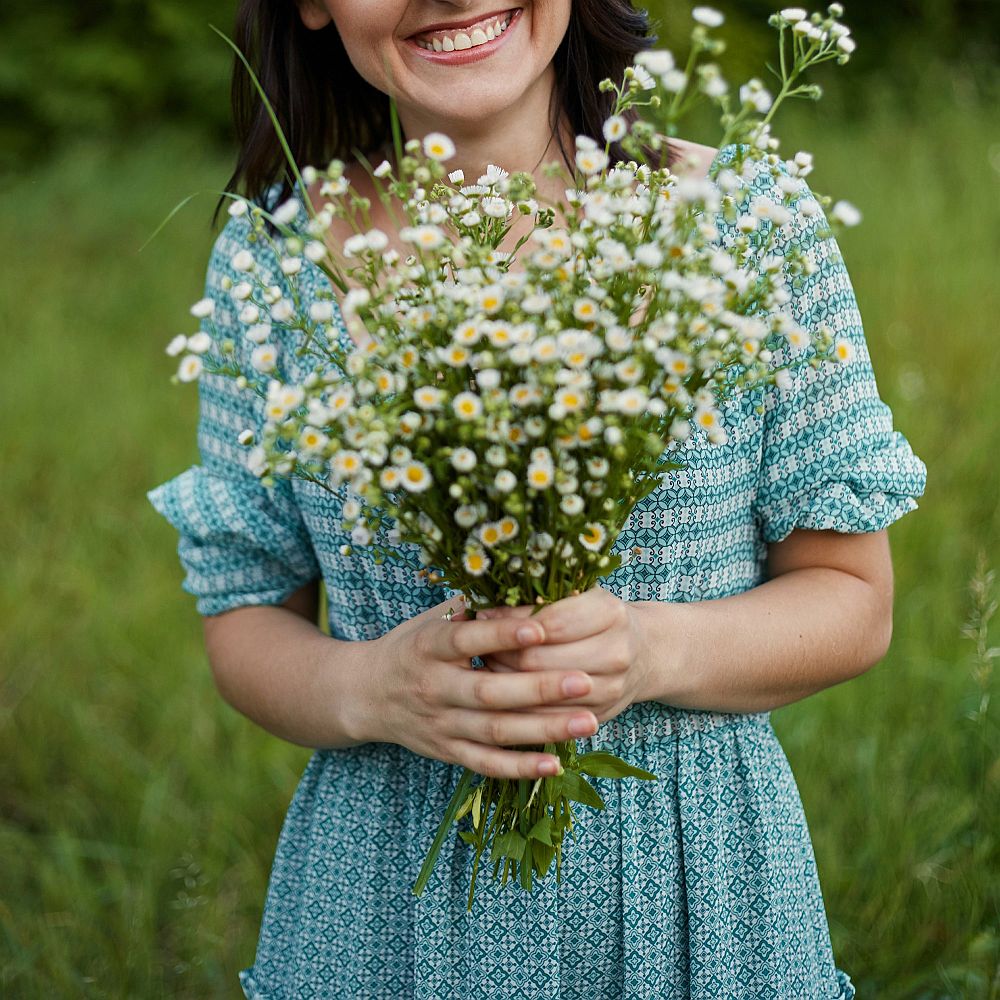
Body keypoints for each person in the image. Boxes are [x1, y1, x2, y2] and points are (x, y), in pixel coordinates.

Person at [147, 2, 927, 997]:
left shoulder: (742, 218)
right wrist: (373, 687)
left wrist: (648, 650)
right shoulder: (276, 264)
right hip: (389, 901)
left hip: (700, 885)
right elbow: (245, 612)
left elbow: (852, 597)